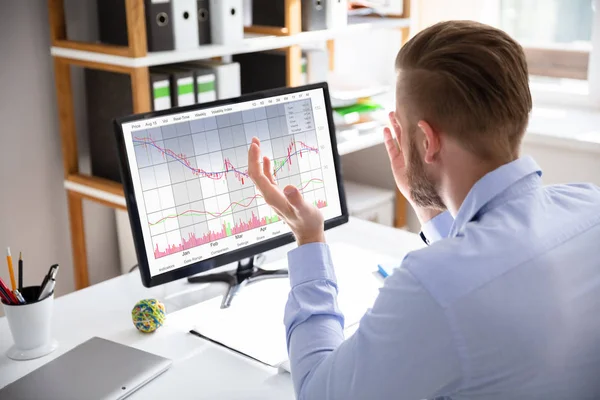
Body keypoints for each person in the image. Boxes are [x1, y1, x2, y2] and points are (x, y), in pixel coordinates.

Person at [247, 20, 600, 400]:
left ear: (428, 140)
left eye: (400, 125)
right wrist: (427, 204)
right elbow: (489, 268)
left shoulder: (431, 286)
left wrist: (309, 240)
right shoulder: (589, 205)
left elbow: (319, 393)